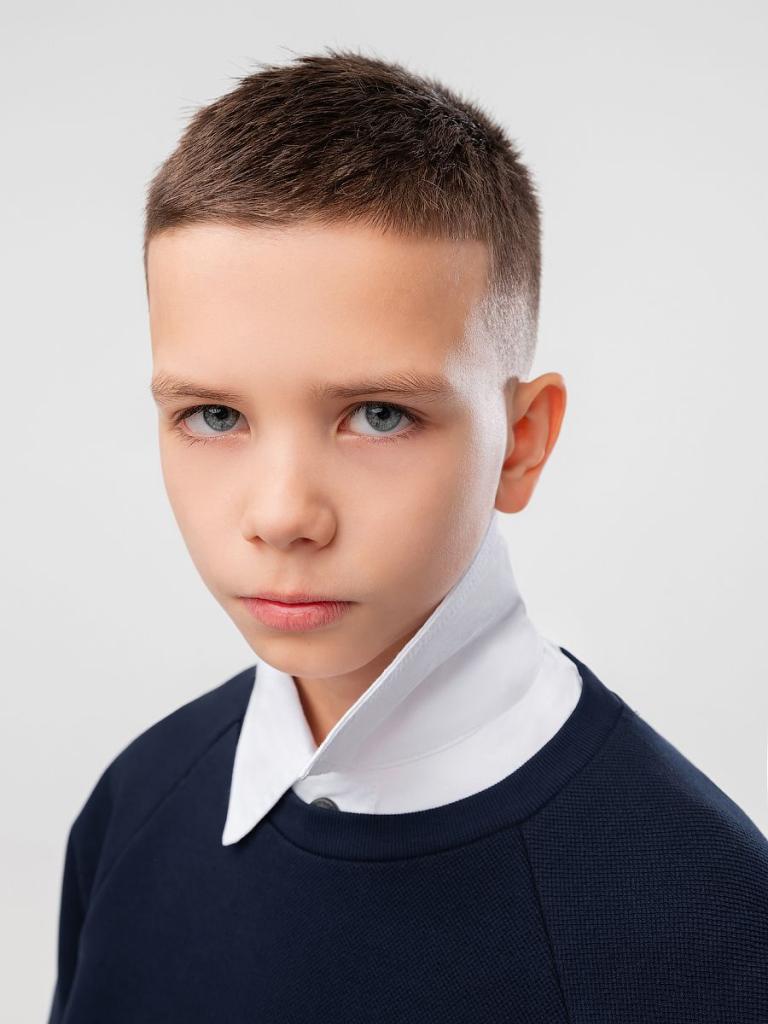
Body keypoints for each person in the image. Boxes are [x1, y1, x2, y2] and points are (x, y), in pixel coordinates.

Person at [48, 49, 768, 1022]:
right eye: (214, 416)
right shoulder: (134, 806)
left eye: (378, 415)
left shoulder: (709, 916)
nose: (282, 515)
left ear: (522, 442)